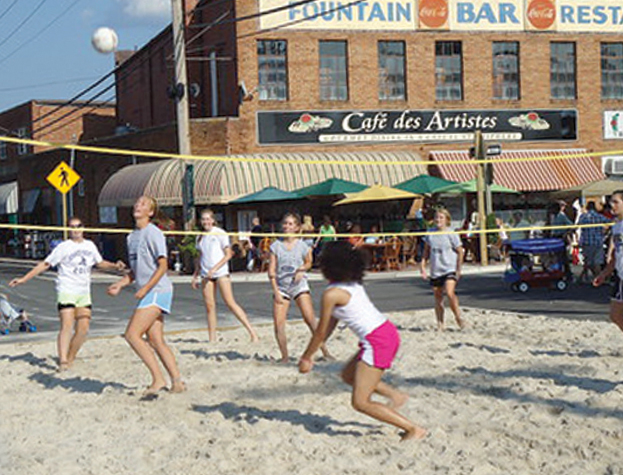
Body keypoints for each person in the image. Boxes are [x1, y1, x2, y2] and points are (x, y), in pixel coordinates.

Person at [299, 241, 427, 441]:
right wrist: (314, 352)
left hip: (378, 341)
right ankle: (395, 395)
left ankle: (413, 429)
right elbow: (330, 326)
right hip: (385, 333)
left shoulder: (332, 294)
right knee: (348, 375)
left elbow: (320, 331)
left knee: (360, 402)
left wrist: (306, 357)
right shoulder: (350, 284)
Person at [10, 217, 124, 371]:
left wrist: (115, 266)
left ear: (83, 228)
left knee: (83, 329)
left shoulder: (90, 245)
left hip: (83, 292)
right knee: (67, 325)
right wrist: (24, 279)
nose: (75, 229)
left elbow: (99, 262)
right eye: (72, 227)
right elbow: (45, 264)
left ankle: (70, 357)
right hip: (66, 290)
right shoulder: (63, 247)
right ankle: (63, 361)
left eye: (78, 226)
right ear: (68, 230)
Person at [107, 196, 185, 396]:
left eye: (143, 204)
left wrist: (145, 289)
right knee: (156, 340)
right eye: (137, 203)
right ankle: (177, 382)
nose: (137, 206)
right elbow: (135, 271)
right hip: (148, 292)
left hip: (158, 290)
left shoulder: (154, 233)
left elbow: (163, 266)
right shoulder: (131, 237)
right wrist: (120, 284)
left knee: (132, 335)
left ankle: (158, 379)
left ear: (150, 212)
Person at [269, 212, 331, 362]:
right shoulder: (276, 246)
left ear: (297, 227)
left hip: (299, 285)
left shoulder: (303, 245)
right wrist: (275, 290)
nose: (287, 226)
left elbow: (309, 261)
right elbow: (271, 270)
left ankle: (325, 352)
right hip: (282, 287)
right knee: (278, 324)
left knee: (310, 319)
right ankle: (285, 357)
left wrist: (302, 269)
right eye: (285, 223)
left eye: (290, 224)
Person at [192, 209, 259, 343]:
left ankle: (252, 333)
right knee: (210, 306)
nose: (206, 222)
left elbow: (228, 254)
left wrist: (215, 268)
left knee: (230, 302)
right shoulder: (199, 236)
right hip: (206, 274)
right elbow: (200, 256)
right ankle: (212, 338)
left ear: (212, 220)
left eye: (208, 219)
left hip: (221, 272)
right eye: (203, 219)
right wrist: (195, 274)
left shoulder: (219, 233)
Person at [420, 208, 466, 331]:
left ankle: (458, 317)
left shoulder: (451, 233)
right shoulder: (430, 233)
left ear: (446, 220)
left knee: (450, 293)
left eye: (441, 217)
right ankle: (440, 324)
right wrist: (423, 267)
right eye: (437, 217)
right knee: (438, 297)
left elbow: (460, 251)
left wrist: (458, 269)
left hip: (449, 268)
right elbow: (426, 252)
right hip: (436, 270)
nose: (438, 220)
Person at [578, 201, 611, 283]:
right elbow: (611, 222)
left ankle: (584, 278)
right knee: (597, 262)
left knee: (587, 262)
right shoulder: (600, 216)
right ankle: (598, 279)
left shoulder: (583, 217)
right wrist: (606, 231)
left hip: (587, 242)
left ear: (587, 207)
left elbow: (577, 226)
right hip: (598, 242)